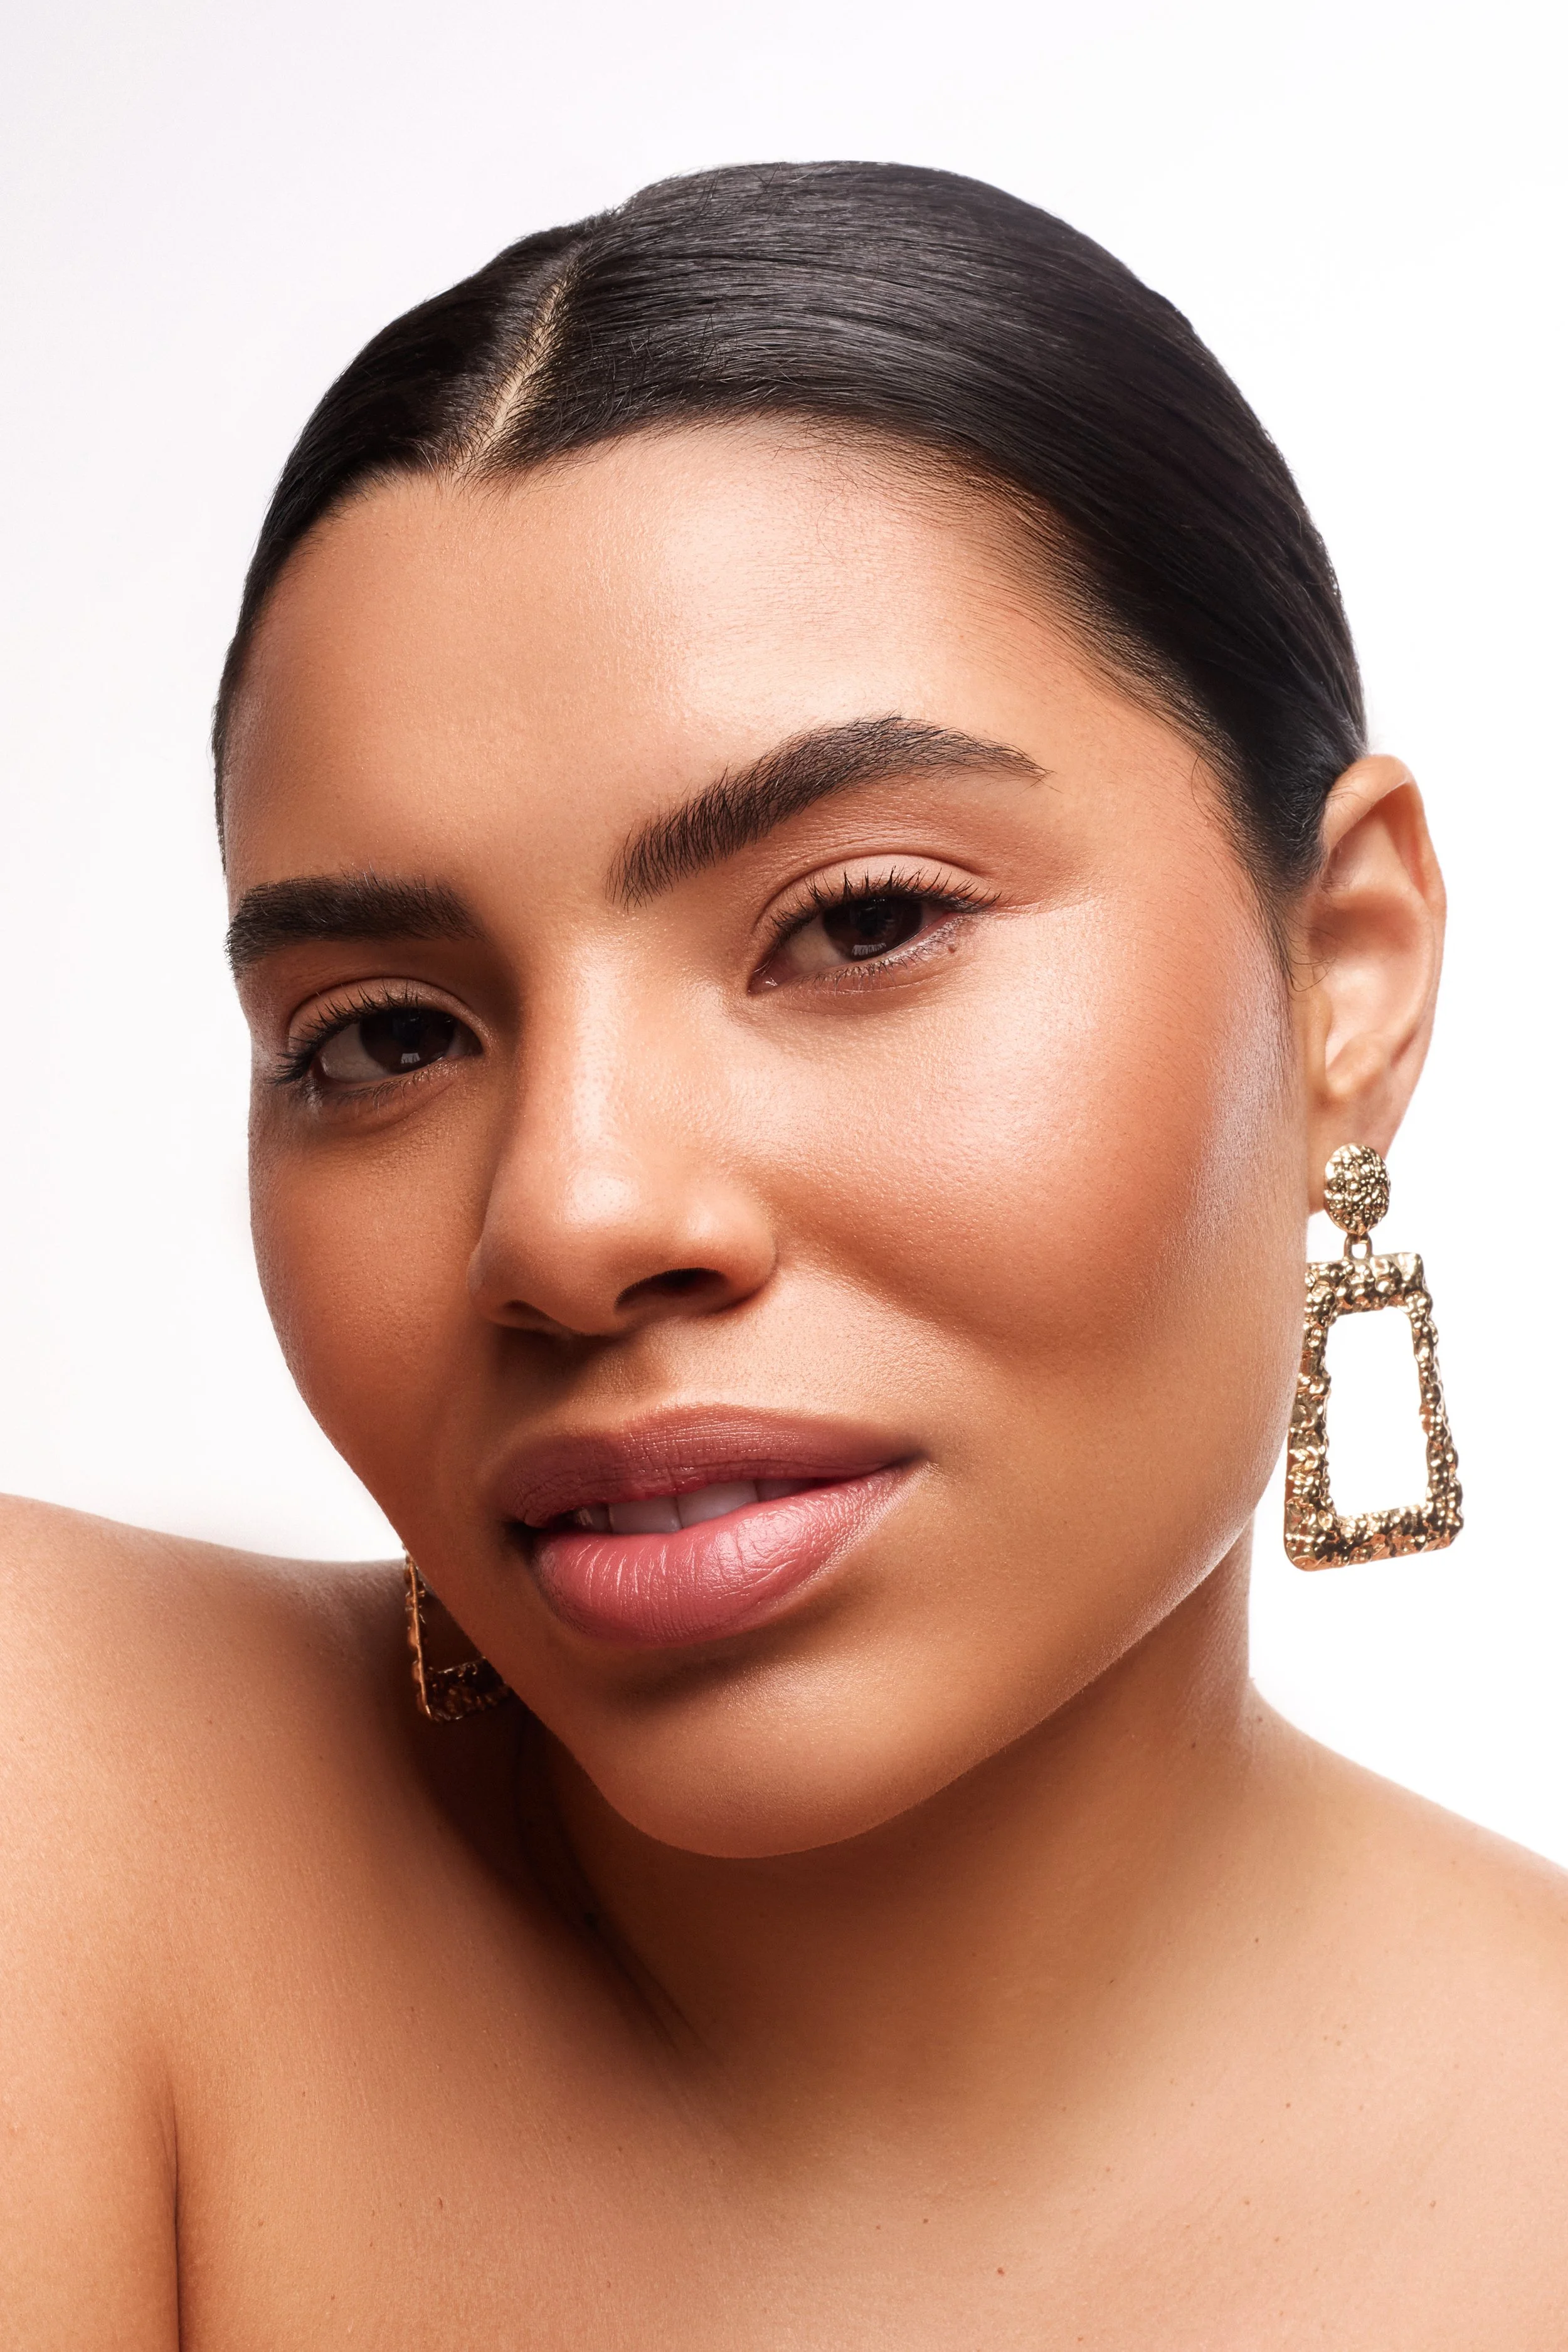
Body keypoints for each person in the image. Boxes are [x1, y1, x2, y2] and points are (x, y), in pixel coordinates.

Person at [4, 161, 1564, 2346]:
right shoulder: (53, 1800)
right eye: (380, 1036)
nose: (570, 1217)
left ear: (1347, 973)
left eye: (858, 921)